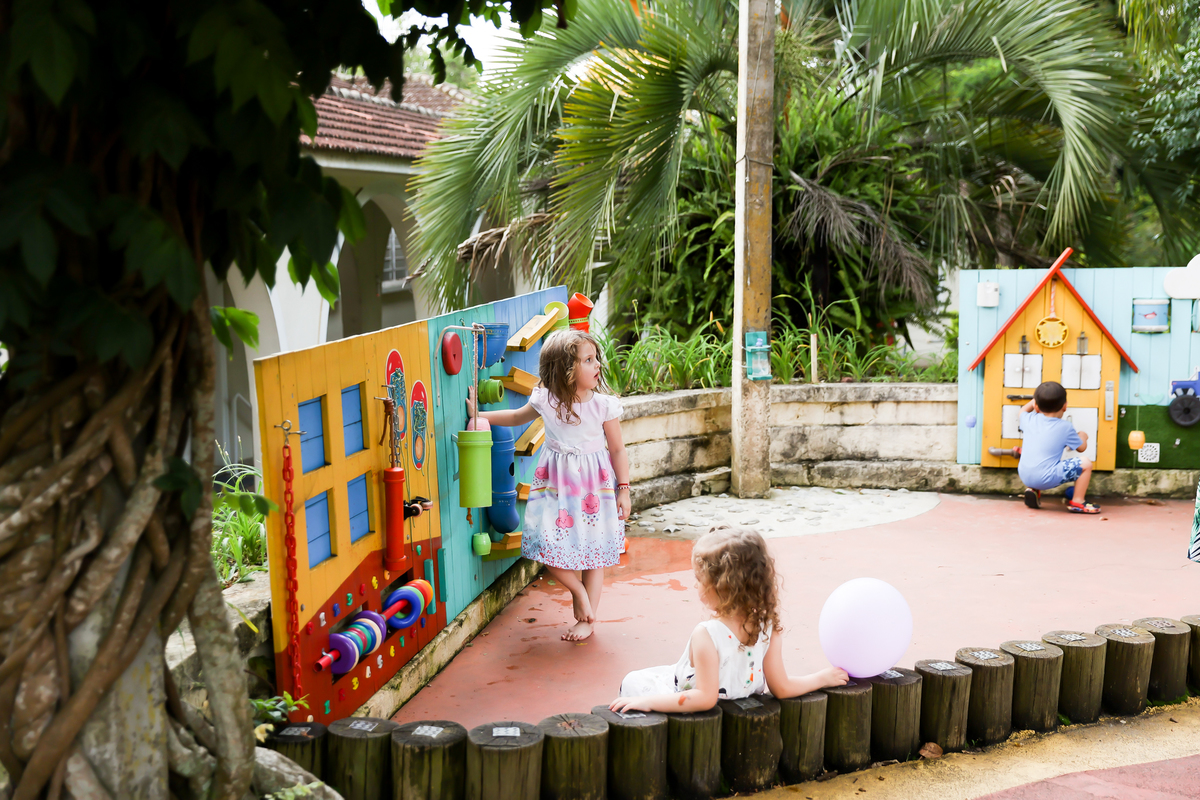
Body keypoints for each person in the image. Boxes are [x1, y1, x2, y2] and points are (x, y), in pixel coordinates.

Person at [467, 329, 629, 641]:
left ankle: (587, 619)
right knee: (545, 544)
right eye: (588, 360)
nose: (598, 364)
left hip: (594, 490)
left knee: (594, 552)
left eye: (596, 358)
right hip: (556, 488)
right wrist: (480, 414)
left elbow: (618, 450)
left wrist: (624, 490)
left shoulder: (603, 406)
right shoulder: (547, 400)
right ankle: (578, 592)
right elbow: (516, 416)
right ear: (566, 369)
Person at [610, 526, 848, 713]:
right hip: (734, 704)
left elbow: (704, 697)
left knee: (632, 682)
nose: (695, 585)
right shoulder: (767, 627)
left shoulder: (707, 634)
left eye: (699, 580)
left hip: (683, 696)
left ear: (723, 587)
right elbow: (782, 687)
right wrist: (821, 678)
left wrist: (649, 702)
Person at [1017, 381, 1099, 514]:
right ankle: (1078, 501)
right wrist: (1083, 436)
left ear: (1036, 406)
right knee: (1086, 463)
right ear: (1065, 406)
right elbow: (1081, 448)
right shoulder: (1065, 427)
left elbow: (1022, 410)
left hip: (1025, 475)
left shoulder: (1028, 419)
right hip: (1046, 478)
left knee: (1040, 460)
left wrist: (1036, 401)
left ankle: (1033, 489)